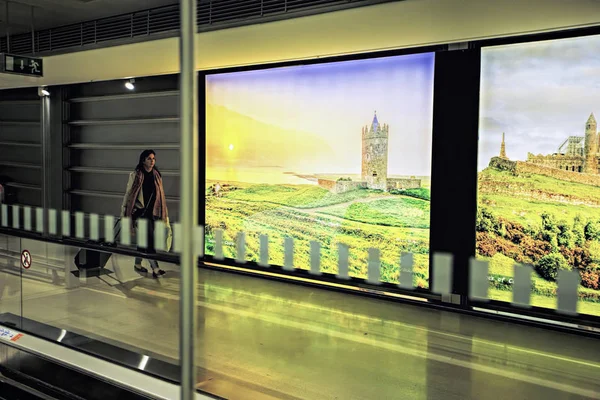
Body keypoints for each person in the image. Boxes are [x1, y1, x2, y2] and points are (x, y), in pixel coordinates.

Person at [121, 149, 172, 278]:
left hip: (153, 213)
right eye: (149, 158)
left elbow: (161, 196)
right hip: (140, 213)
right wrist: (124, 211)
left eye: (153, 158)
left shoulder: (156, 175)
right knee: (149, 239)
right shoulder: (136, 175)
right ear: (143, 160)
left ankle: (137, 264)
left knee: (144, 240)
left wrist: (163, 214)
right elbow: (128, 194)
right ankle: (155, 268)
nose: (152, 161)